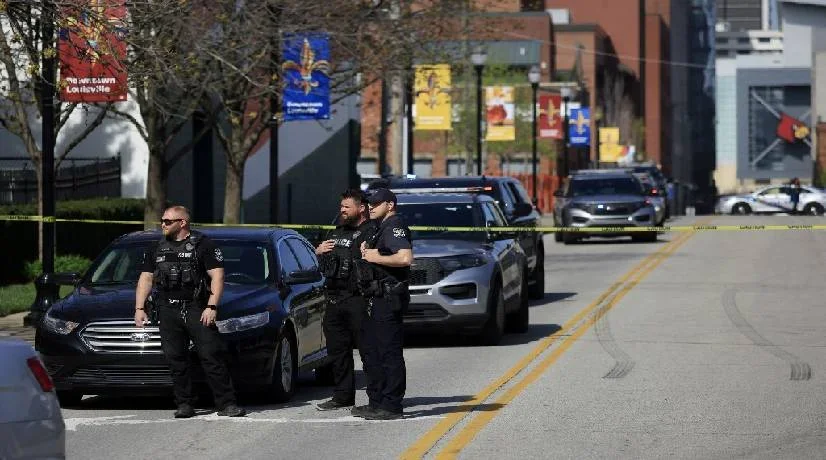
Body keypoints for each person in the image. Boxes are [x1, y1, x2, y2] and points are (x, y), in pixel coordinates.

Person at [134, 205, 245, 419]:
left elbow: (218, 276)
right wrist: (139, 308)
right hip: (167, 308)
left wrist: (212, 306)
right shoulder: (156, 247)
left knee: (211, 356)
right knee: (175, 358)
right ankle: (184, 403)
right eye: (162, 220)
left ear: (182, 222)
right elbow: (146, 278)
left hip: (197, 307)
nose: (163, 224)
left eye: (168, 221)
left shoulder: (204, 245)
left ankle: (226, 403)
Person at [352, 188, 412, 421]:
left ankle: (391, 404)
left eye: (376, 204)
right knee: (372, 351)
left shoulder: (394, 225)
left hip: (388, 298)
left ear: (390, 205)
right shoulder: (380, 228)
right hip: (374, 298)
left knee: (389, 352)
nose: (370, 207)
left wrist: (372, 256)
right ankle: (376, 401)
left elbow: (405, 257)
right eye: (369, 204)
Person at [314, 190, 377, 411]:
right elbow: (324, 263)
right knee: (337, 351)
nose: (342, 210)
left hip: (358, 298)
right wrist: (318, 251)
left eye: (346, 207)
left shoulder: (371, 231)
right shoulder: (337, 231)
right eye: (341, 207)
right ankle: (342, 396)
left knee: (368, 350)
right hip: (334, 298)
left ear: (361, 208)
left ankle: (375, 398)